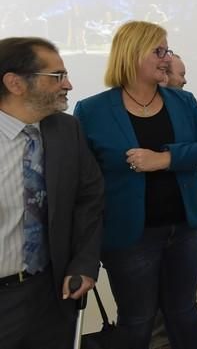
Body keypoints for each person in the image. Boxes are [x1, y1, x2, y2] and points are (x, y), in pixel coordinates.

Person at [74, 21, 197, 349]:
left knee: (184, 311)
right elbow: (84, 184)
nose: (167, 58)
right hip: (128, 237)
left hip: (184, 228)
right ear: (131, 54)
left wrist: (163, 159)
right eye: (159, 51)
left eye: (167, 50)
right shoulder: (92, 110)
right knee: (137, 319)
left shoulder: (183, 101)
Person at [0, 37, 104, 349]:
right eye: (57, 76)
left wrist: (84, 263)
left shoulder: (66, 130)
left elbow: (90, 198)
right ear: (15, 83)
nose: (68, 84)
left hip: (51, 293)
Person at [157, 53, 197, 333]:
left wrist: (166, 158)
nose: (185, 79)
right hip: (144, 223)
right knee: (142, 304)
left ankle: (180, 318)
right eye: (181, 74)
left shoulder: (186, 103)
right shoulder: (105, 109)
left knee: (182, 287)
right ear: (164, 75)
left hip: (186, 216)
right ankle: (161, 330)